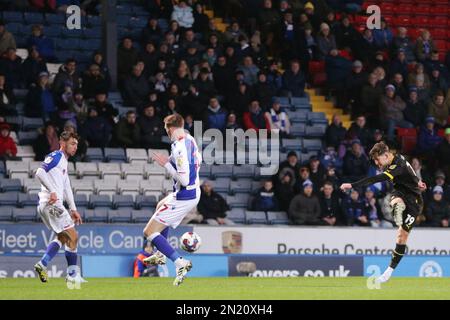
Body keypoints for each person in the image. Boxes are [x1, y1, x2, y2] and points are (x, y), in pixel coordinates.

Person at [340, 142, 427, 283]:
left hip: (414, 201)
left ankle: (389, 271)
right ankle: (398, 211)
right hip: (400, 192)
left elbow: (376, 179)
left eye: (377, 160)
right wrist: (417, 182)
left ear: (386, 155)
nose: (377, 164)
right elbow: (410, 170)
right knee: (395, 200)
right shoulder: (398, 159)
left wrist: (352, 185)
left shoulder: (397, 165)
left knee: (401, 237)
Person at [142, 114, 201, 286]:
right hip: (191, 192)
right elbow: (197, 162)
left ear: (170, 128)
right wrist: (171, 161)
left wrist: (166, 165)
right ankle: (160, 254)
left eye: (166, 128)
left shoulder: (180, 147)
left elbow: (183, 179)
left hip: (184, 196)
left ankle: (179, 263)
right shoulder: (190, 139)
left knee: (149, 232)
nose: (166, 131)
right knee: (160, 205)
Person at [33, 131, 83, 283]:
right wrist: (53, 191)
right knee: (73, 237)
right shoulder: (56, 156)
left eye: (76, 144)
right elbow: (39, 172)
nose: (75, 147)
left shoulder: (64, 161)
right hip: (52, 204)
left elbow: (67, 186)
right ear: (63, 143)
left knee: (62, 236)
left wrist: (73, 209)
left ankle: (42, 264)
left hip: (47, 205)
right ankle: (72, 276)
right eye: (72, 144)